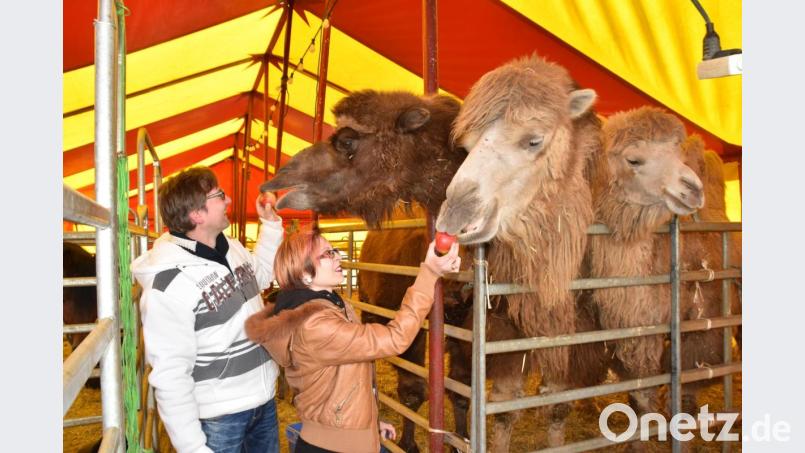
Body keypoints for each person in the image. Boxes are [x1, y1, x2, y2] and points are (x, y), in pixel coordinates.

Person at [245, 228, 460, 453]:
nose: (338, 257)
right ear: (305, 274)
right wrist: (429, 274)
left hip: (338, 441)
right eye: (327, 254)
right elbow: (396, 338)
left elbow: (339, 381)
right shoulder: (316, 326)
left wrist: (367, 426)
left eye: (335, 251)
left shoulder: (329, 305)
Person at [132, 167, 283, 453]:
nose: (228, 201)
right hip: (219, 418)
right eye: (220, 195)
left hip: (262, 400)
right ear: (197, 214)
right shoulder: (169, 285)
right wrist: (192, 447)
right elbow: (171, 374)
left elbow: (261, 276)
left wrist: (271, 225)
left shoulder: (231, 248)